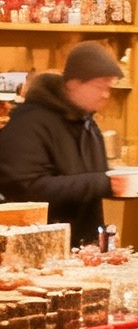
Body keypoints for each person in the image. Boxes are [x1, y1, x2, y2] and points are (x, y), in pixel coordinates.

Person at [0, 41, 119, 245]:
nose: (105, 94)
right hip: (36, 249)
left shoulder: (87, 124)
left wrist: (114, 184)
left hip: (81, 246)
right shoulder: (29, 124)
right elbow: (26, 189)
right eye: (100, 86)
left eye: (109, 87)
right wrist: (103, 183)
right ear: (75, 83)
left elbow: (91, 180)